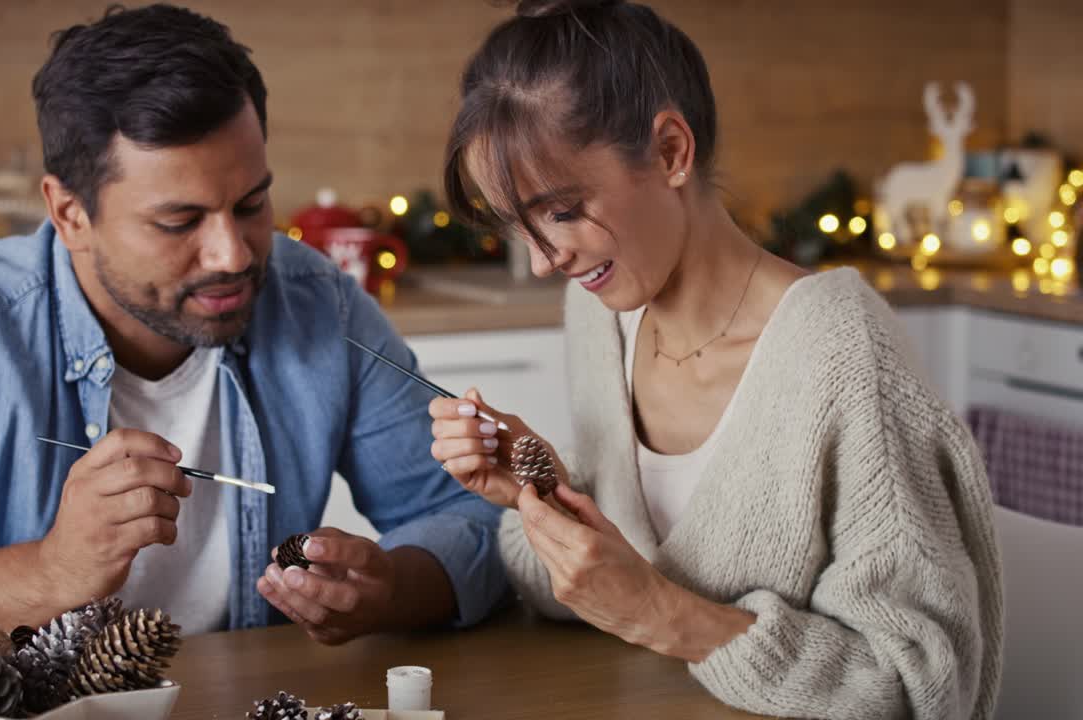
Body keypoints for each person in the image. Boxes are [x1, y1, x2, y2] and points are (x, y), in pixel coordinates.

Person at [0, 4, 507, 670]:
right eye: (179, 222)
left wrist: (389, 589)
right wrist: (48, 572)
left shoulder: (319, 304)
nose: (232, 253)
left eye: (252, 204)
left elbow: (474, 518)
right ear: (70, 213)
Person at [428, 1, 1002, 718]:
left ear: (671, 150)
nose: (545, 262)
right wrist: (534, 491)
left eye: (564, 210)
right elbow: (589, 600)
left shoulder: (842, 354)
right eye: (520, 227)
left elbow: (920, 685)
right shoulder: (601, 314)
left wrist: (666, 614)